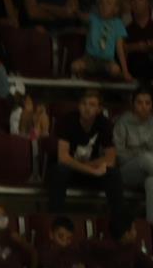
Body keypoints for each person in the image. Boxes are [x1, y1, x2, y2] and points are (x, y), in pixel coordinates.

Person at [49, 87, 124, 230]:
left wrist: (91, 167)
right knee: (59, 171)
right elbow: (63, 157)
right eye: (84, 104)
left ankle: (119, 225)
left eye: (92, 105)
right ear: (79, 106)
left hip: (89, 169)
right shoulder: (67, 121)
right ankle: (56, 223)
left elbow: (110, 159)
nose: (87, 108)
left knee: (113, 174)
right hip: (70, 171)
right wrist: (91, 170)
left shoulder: (104, 123)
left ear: (99, 109)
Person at [114, 86, 153, 225]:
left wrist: (144, 154)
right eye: (139, 102)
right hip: (126, 171)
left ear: (152, 105)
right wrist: (141, 154)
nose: (143, 107)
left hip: (150, 172)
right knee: (146, 158)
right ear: (133, 104)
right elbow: (118, 155)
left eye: (147, 103)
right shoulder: (122, 123)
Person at [72, 0, 130, 81]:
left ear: (115, 8)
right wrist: (75, 10)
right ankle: (85, 78)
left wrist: (125, 71)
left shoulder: (118, 24)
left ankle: (105, 76)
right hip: (89, 58)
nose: (104, 6)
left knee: (115, 69)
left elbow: (120, 49)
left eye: (108, 3)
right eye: (101, 3)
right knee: (75, 66)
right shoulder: (93, 18)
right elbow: (81, 15)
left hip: (107, 60)